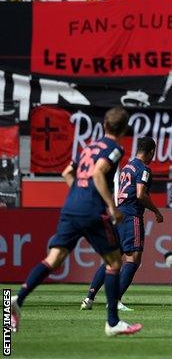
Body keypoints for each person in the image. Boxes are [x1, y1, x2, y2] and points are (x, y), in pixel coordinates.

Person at [11, 107, 142, 337]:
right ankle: (112, 322)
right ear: (123, 129)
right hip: (93, 211)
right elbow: (98, 173)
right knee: (113, 262)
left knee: (54, 258)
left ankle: (18, 299)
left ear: (104, 125)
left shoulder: (89, 147)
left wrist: (79, 193)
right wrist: (111, 207)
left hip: (71, 207)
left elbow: (66, 172)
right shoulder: (116, 148)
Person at [80, 137, 163, 311]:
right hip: (132, 216)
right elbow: (140, 194)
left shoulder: (127, 166)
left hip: (119, 215)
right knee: (133, 259)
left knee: (112, 258)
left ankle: (89, 298)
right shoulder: (143, 169)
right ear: (151, 152)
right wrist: (156, 210)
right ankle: (115, 300)